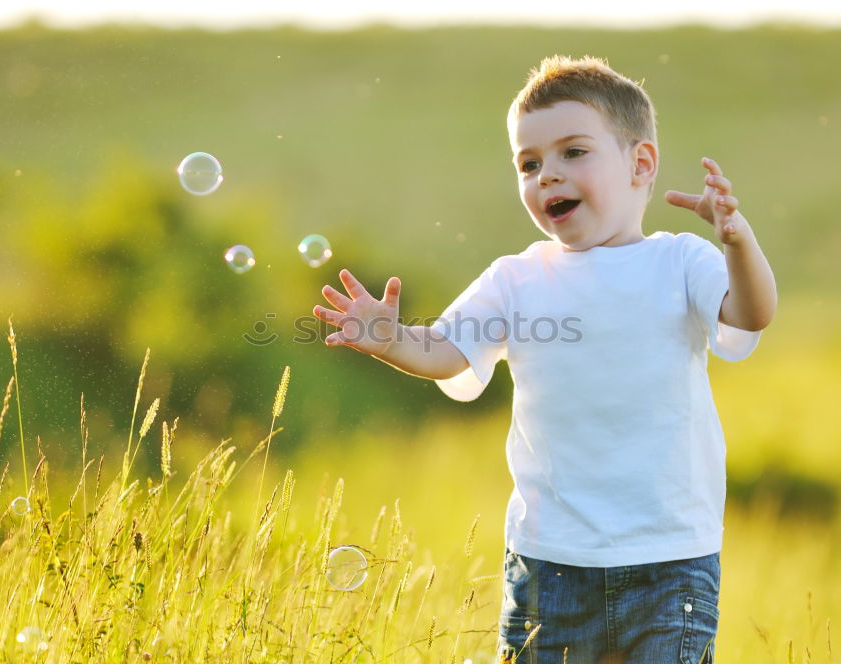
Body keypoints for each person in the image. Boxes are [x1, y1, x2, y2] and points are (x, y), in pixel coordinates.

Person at [313, 54, 776, 663]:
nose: (547, 176)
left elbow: (751, 312)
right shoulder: (516, 279)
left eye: (573, 153)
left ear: (640, 164)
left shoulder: (681, 262)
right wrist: (391, 339)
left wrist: (738, 242)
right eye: (529, 164)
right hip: (551, 564)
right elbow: (447, 352)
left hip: (671, 561)